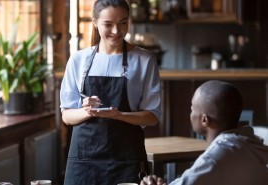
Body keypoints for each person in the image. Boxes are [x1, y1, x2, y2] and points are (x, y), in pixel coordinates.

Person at [60, 0, 161, 184]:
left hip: (126, 160)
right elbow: (66, 115)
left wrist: (119, 115)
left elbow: (152, 116)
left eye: (123, 22)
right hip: (84, 163)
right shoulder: (78, 60)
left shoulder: (144, 60)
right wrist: (87, 111)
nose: (116, 31)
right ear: (95, 22)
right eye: (108, 24)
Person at [141, 80, 268, 185]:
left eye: (192, 108)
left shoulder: (218, 156)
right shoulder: (250, 144)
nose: (190, 113)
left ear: (204, 120)